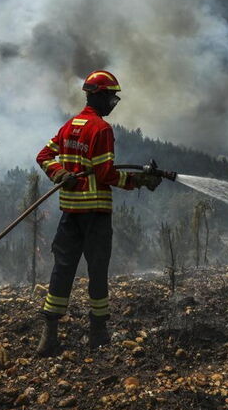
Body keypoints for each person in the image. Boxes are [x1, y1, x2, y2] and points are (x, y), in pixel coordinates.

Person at [34, 70, 161, 356]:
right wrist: (136, 181)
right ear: (99, 95)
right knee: (98, 270)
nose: (113, 102)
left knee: (62, 269)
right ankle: (98, 331)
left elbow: (43, 157)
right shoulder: (101, 130)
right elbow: (105, 174)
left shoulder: (70, 126)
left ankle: (49, 334)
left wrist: (60, 173)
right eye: (111, 97)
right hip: (95, 213)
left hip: (70, 212)